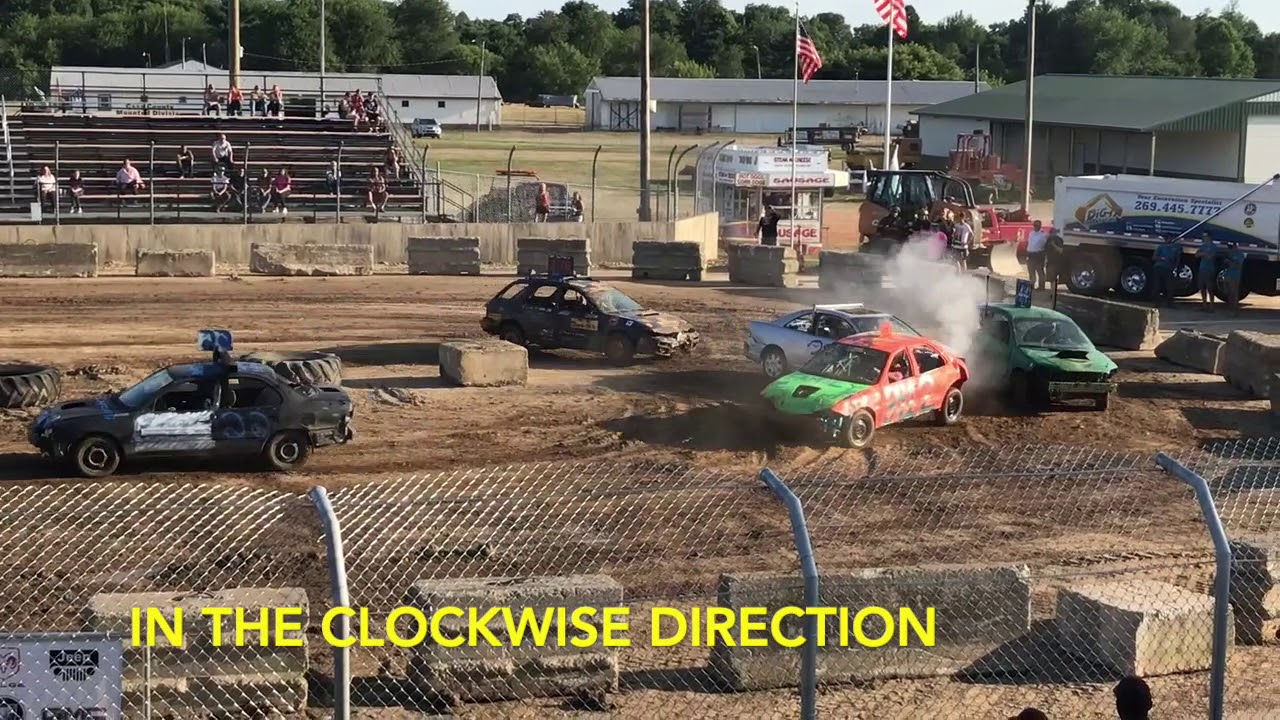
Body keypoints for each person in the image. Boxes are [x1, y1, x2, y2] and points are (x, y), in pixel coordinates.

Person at [1151, 234, 1182, 306]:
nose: (1167, 239)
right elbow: (1154, 257)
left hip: (1168, 269)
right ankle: (1156, 302)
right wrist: (1161, 258)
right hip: (1158, 268)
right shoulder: (1161, 247)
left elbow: (1177, 259)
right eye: (1166, 238)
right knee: (1157, 286)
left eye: (1168, 238)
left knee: (1169, 286)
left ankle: (1169, 302)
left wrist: (1175, 267)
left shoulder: (1176, 247)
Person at [1196, 231, 1219, 312]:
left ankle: (1212, 306)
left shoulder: (1213, 247)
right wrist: (1204, 254)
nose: (1204, 238)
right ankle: (1204, 305)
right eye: (1203, 236)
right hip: (1202, 268)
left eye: (1206, 236)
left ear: (1210, 237)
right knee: (1202, 287)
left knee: (1210, 288)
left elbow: (1210, 257)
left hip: (1209, 269)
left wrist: (1203, 254)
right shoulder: (1203, 246)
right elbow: (1196, 255)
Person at [1025, 220, 1049, 290]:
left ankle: (1041, 286)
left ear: (1040, 226)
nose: (1035, 227)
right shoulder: (1031, 233)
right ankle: (1032, 286)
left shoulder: (1044, 235)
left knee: (1040, 271)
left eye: (1037, 225)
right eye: (1035, 225)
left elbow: (1046, 244)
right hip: (1030, 254)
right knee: (1031, 272)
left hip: (1038, 255)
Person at [1223, 241, 1245, 312]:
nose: (1230, 249)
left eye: (1231, 247)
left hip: (1235, 275)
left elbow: (1238, 265)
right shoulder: (1229, 253)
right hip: (1228, 274)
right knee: (1228, 291)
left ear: (1235, 246)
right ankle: (1230, 307)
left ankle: (1234, 309)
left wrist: (1230, 262)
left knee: (1234, 292)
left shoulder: (1239, 254)